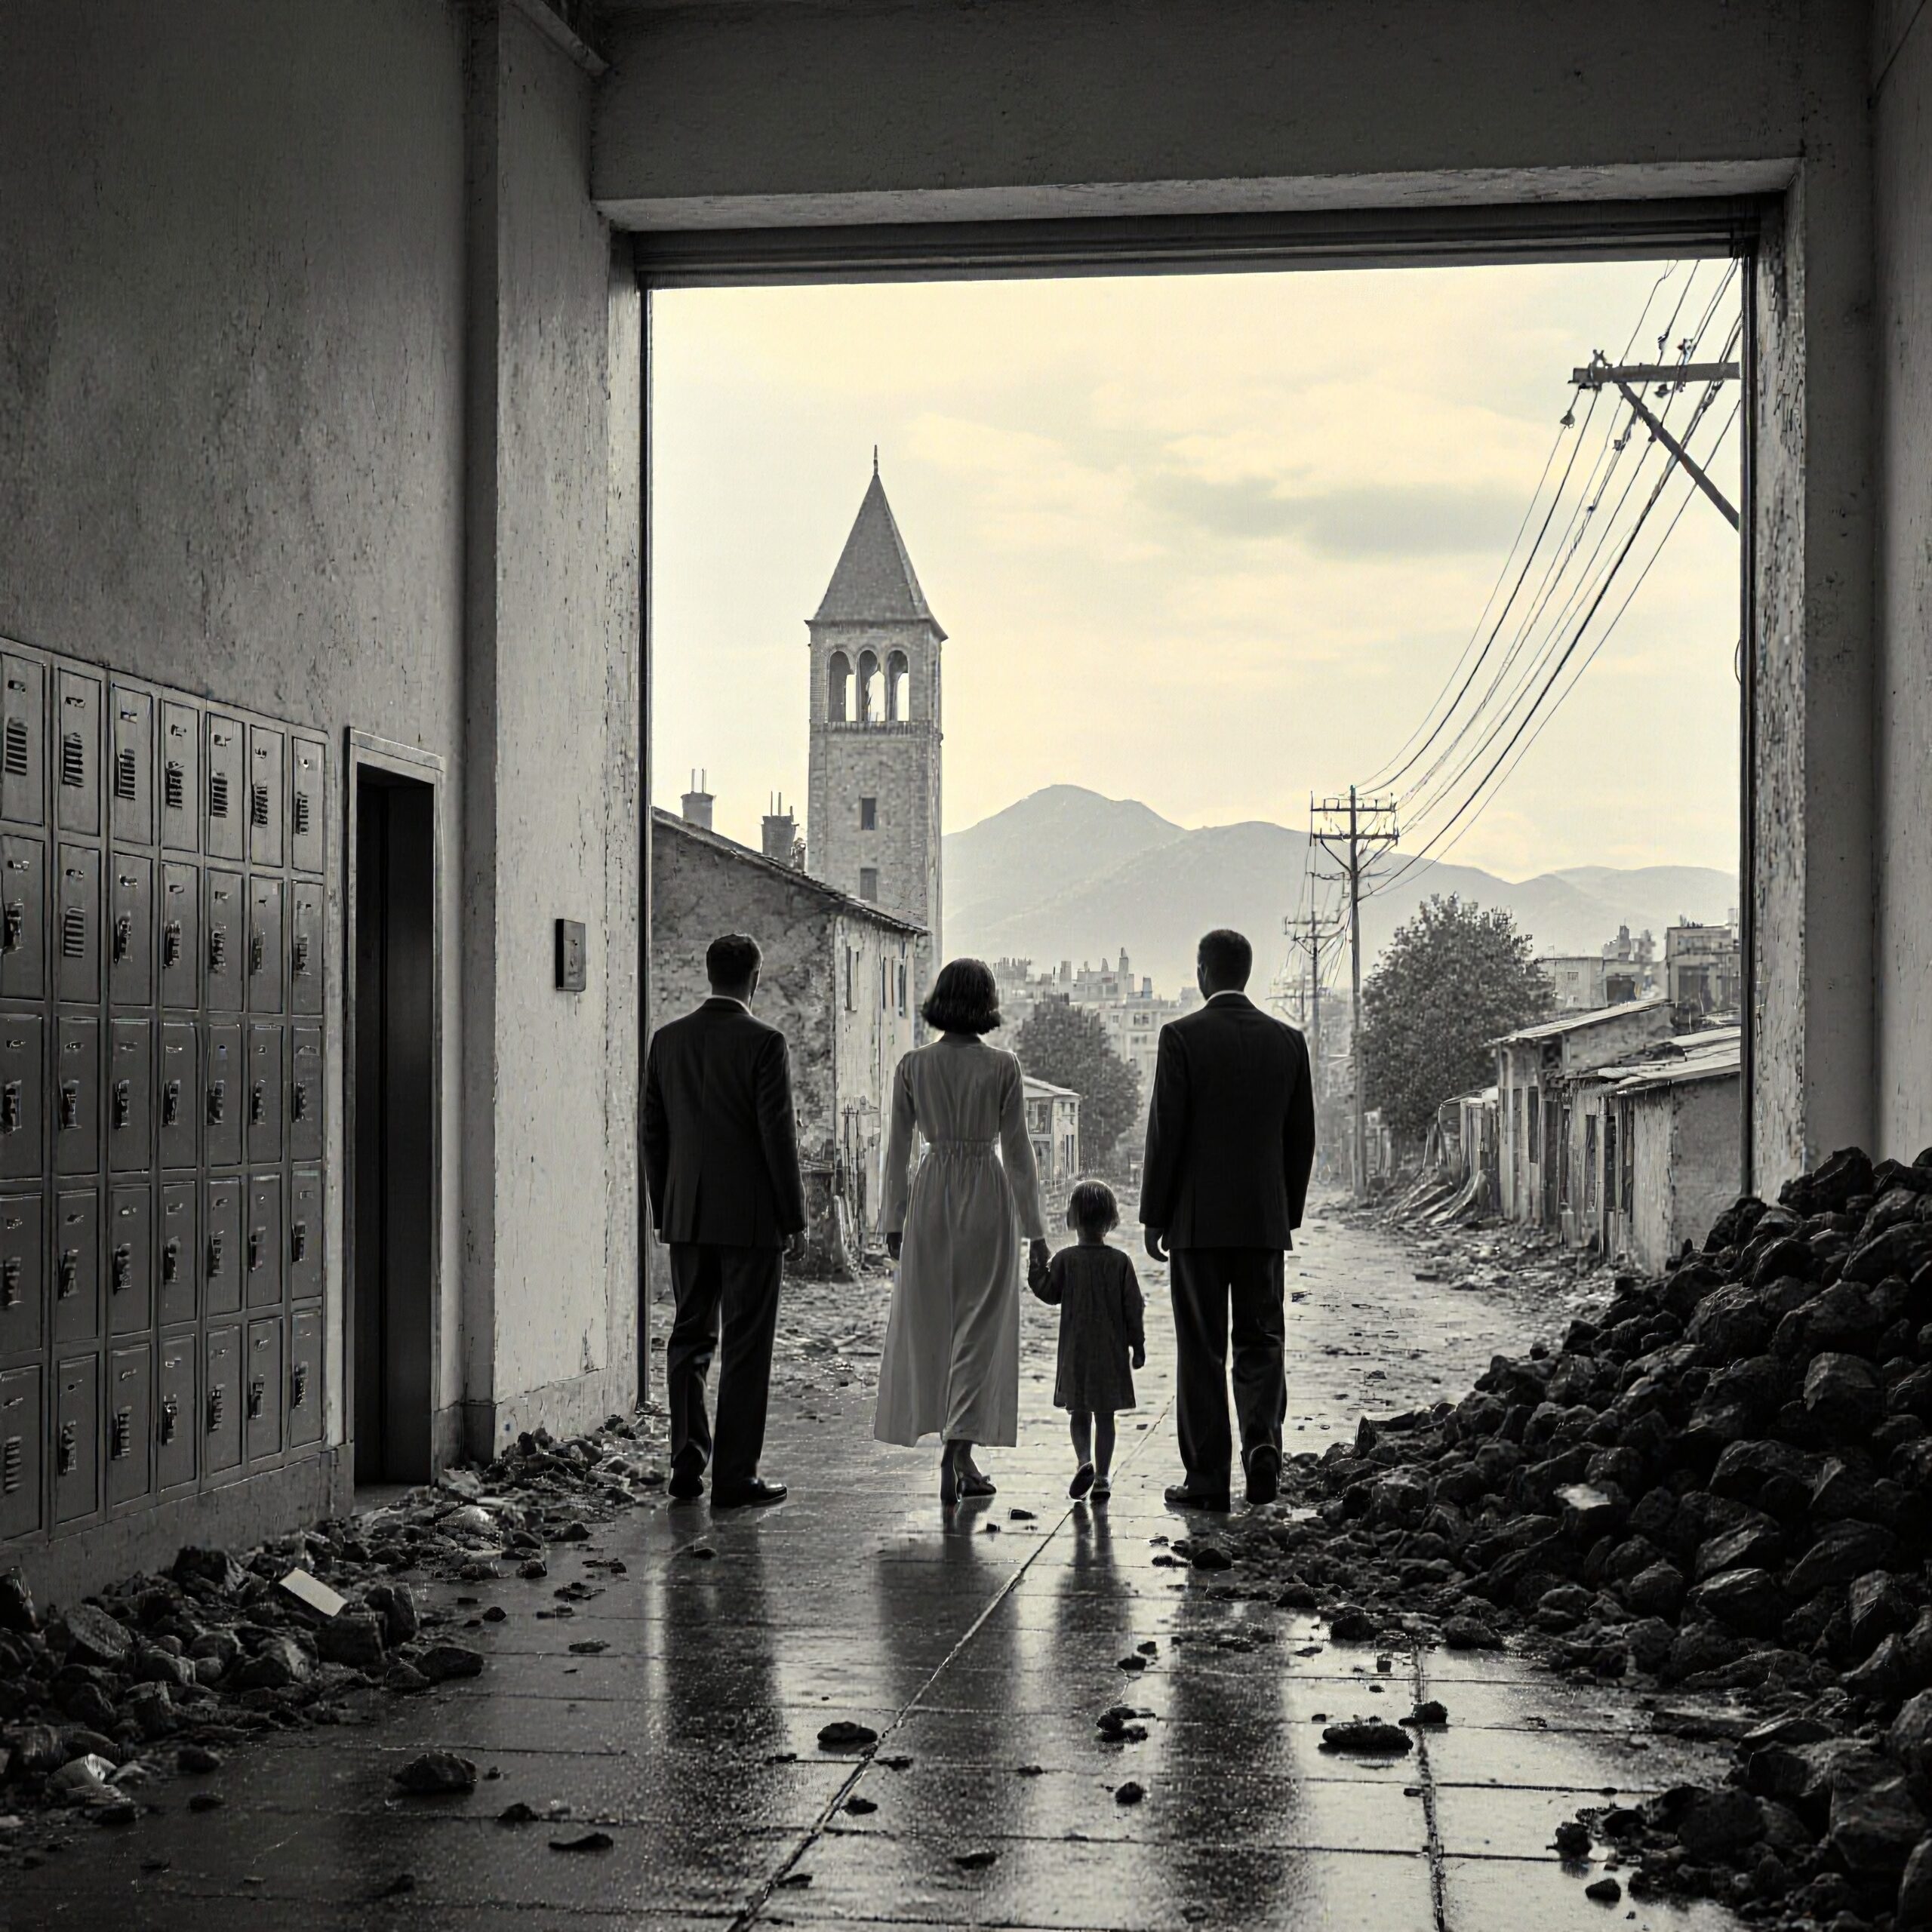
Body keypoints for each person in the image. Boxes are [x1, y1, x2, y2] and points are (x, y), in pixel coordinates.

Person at [1139, 927, 1316, 1512]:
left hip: (1196, 1226)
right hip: (1263, 1222)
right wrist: (1284, 1212)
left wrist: (1154, 1215)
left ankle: (1208, 1478)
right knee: (1261, 1340)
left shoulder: (1181, 1038)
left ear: (1202, 972)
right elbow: (1301, 1139)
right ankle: (1262, 1447)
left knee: (1202, 1349)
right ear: (1246, 972)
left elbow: (1165, 1133)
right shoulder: (1288, 1042)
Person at [875, 957, 1052, 1505]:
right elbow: (1018, 1153)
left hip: (931, 1197)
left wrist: (893, 1218)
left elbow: (898, 1149)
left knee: (934, 1325)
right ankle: (959, 1450)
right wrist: (1037, 1232)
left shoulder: (913, 1066)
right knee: (981, 1329)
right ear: (986, 1004)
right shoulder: (1003, 1067)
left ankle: (956, 1448)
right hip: (987, 1199)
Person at [641, 932, 807, 1508]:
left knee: (689, 1336)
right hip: (752, 1221)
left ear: (708, 973)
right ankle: (735, 1476)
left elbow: (653, 1134)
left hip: (687, 1214)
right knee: (746, 1344)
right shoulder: (766, 1043)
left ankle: (686, 1463)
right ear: (755, 979)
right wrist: (794, 1217)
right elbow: (777, 1136)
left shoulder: (667, 1041)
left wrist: (666, 1209)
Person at [1032, 1179, 1146, 1503]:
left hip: (1076, 1354)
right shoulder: (1120, 1262)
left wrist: (1035, 1262)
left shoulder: (1066, 1260)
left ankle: (1084, 1461)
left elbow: (1048, 1291)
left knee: (1078, 1413)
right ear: (1110, 1219)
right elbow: (1133, 1308)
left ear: (1074, 1218)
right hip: (1110, 1354)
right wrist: (1138, 1346)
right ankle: (1103, 1477)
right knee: (1105, 1417)